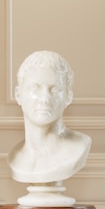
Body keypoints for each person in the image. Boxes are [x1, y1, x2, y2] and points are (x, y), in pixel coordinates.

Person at [7, 50, 91, 186]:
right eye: (35, 88)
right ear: (18, 95)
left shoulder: (79, 146)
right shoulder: (15, 157)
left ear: (68, 97)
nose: (44, 99)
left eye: (55, 89)